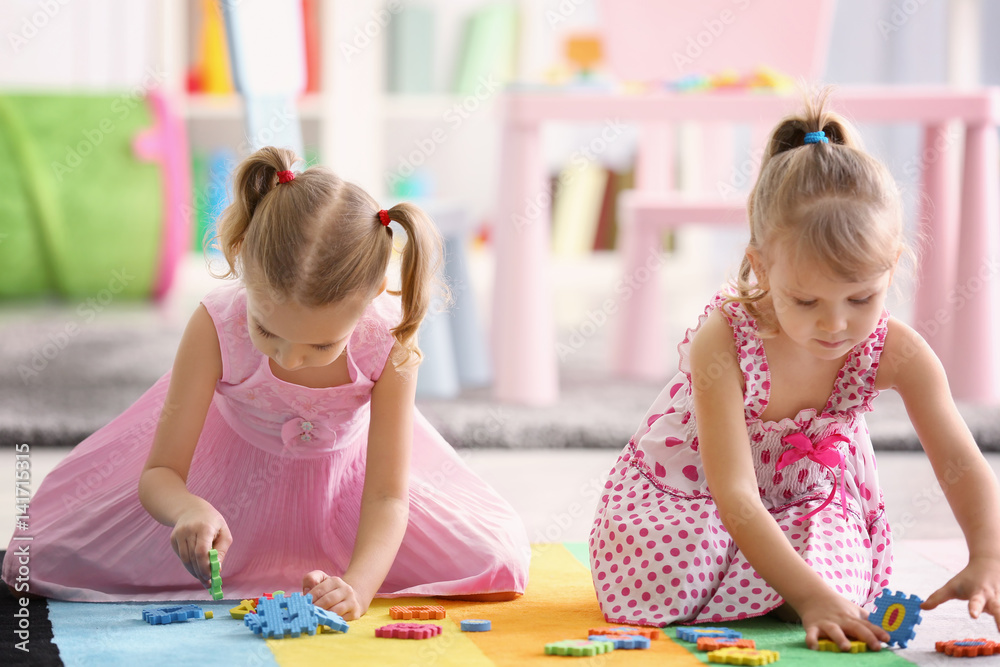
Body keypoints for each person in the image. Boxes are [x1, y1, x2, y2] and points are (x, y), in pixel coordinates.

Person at [3, 146, 529, 619]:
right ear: (242, 266)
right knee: (44, 553)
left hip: (347, 506)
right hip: (225, 496)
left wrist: (360, 587)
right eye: (267, 330)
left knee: (497, 557)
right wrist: (189, 509)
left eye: (322, 345)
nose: (291, 359)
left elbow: (389, 496)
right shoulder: (216, 325)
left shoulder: (387, 342)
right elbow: (161, 471)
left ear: (370, 300)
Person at [589, 92, 1000, 650]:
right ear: (761, 266)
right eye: (806, 301)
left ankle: (775, 585)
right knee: (675, 568)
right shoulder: (726, 339)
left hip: (806, 503)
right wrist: (807, 597)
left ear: (892, 265)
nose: (836, 325)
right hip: (699, 501)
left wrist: (988, 556)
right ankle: (772, 587)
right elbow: (734, 494)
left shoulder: (899, 352)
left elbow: (960, 462)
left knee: (840, 580)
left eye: (861, 298)